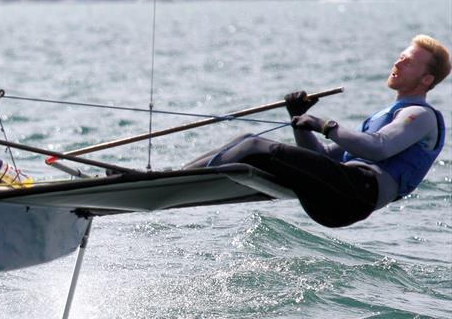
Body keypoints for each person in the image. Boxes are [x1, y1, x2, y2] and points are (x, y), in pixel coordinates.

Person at [186, 34, 449, 227]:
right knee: (246, 142)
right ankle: (173, 177)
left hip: (356, 194)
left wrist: (325, 125)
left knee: (254, 147)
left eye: (409, 62)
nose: (399, 63)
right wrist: (299, 118)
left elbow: (378, 147)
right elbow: (321, 156)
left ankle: (178, 182)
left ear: (426, 80)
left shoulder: (421, 115)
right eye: (401, 57)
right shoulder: (387, 115)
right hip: (335, 196)